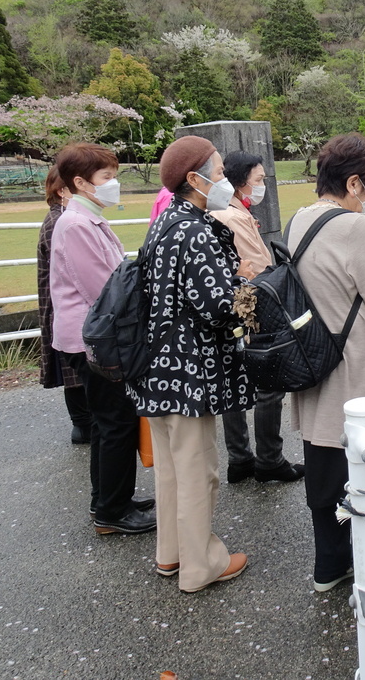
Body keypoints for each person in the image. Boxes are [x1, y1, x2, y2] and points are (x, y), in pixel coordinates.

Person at [283, 133, 365, 594]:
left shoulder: (299, 219)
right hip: (355, 359)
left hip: (314, 356)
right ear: (355, 183)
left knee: (323, 463)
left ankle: (330, 564)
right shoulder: (356, 227)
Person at [126, 135, 249, 593]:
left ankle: (171, 554)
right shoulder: (196, 230)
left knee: (172, 472)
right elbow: (218, 306)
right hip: (189, 372)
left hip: (155, 368)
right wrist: (248, 289)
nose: (225, 180)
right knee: (198, 472)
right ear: (195, 179)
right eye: (219, 172)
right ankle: (200, 566)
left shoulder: (165, 222)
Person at [50, 143, 156, 535]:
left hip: (90, 336)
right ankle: (113, 510)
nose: (114, 183)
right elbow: (105, 289)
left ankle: (109, 500)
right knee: (116, 422)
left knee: (106, 422)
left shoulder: (85, 218)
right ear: (81, 182)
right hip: (94, 339)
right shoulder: (77, 225)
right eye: (106, 177)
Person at [210, 150, 305, 485]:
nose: (262, 185)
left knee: (233, 378)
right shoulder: (233, 217)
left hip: (229, 305)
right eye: (259, 179)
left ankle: (240, 458)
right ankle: (269, 458)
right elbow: (258, 267)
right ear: (241, 182)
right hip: (250, 304)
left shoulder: (224, 212)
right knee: (269, 380)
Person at [37, 166, 90, 445]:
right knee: (77, 373)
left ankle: (83, 425)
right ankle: (82, 425)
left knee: (75, 372)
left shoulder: (60, 219)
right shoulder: (62, 222)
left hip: (61, 305)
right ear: (62, 190)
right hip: (68, 307)